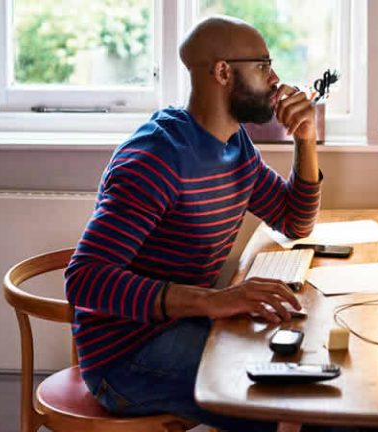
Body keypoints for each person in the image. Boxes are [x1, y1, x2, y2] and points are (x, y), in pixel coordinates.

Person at [64, 15, 322, 432]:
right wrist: (212, 301)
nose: (275, 79)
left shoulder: (235, 145)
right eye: (262, 66)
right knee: (301, 408)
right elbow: (84, 280)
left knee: (313, 374)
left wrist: (306, 138)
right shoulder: (156, 159)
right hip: (127, 357)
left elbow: (294, 220)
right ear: (223, 72)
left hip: (184, 326)